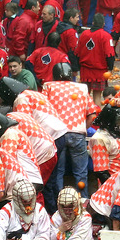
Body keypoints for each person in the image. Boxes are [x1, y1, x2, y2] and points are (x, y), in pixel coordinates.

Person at [41, 62, 100, 198]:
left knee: (58, 171)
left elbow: (42, 109)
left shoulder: (48, 86)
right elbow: (92, 115)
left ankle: (59, 202)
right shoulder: (82, 88)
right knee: (81, 173)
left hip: (57, 135)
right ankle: (83, 201)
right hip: (77, 135)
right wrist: (81, 129)